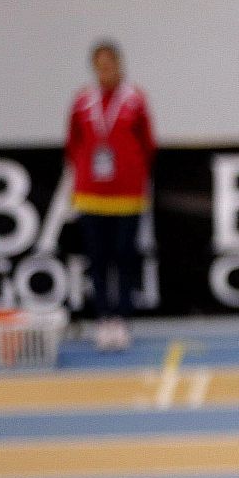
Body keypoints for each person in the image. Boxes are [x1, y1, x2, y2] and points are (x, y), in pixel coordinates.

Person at [64, 40, 155, 350]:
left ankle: (122, 318)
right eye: (100, 66)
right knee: (98, 258)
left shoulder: (135, 99)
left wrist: (132, 170)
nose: (106, 71)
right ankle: (104, 318)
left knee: (124, 255)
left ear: (120, 64)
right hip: (92, 195)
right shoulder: (82, 101)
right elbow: (73, 143)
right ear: (94, 68)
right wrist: (83, 176)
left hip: (127, 195)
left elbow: (148, 143)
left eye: (111, 65)